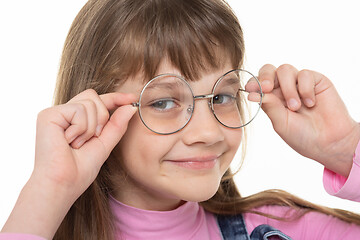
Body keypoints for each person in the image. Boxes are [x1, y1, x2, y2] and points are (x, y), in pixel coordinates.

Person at [1, 0, 360, 239]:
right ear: (100, 111)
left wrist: (344, 148)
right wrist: (51, 188)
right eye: (164, 102)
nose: (208, 132)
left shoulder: (279, 228)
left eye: (221, 97)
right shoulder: (39, 226)